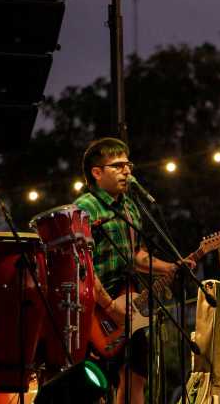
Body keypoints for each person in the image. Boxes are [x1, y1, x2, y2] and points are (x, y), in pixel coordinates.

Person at [75, 137, 187, 404]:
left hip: (129, 304)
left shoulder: (130, 206)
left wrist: (171, 267)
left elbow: (137, 255)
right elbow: (82, 266)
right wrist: (109, 305)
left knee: (136, 375)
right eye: (118, 165)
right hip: (96, 307)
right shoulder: (85, 208)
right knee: (95, 384)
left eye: (128, 165)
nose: (127, 171)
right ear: (97, 172)